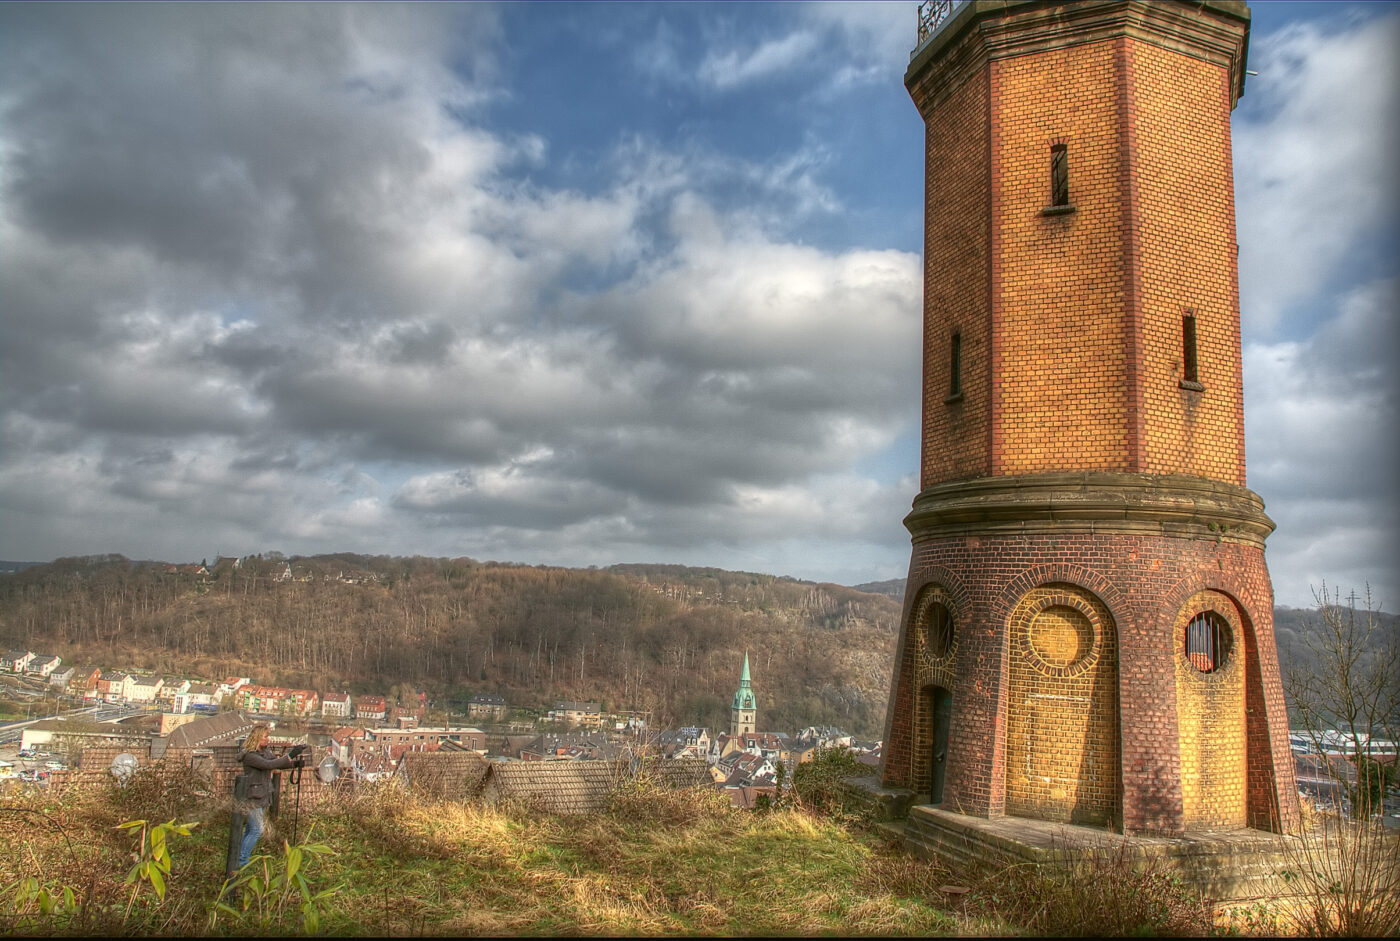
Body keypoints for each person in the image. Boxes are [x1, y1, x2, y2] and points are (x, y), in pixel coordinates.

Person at [232, 725, 306, 871]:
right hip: (252, 797)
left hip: (262, 795)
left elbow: (276, 763)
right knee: (256, 830)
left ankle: (239, 856)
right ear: (257, 738)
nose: (268, 739)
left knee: (251, 829)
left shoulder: (264, 752)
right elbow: (268, 765)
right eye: (265, 736)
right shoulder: (250, 756)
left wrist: (294, 764)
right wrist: (290, 755)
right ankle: (242, 860)